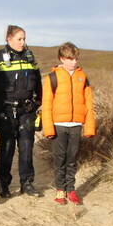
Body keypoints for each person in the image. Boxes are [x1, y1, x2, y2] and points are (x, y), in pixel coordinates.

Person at [0, 25, 41, 198]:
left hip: (26, 111)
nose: (23, 42)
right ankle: (3, 184)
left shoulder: (29, 57)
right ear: (8, 39)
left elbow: (38, 82)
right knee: (7, 147)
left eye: (24, 39)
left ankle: (27, 183)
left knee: (26, 146)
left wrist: (37, 103)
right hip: (6, 110)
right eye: (19, 39)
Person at [42, 42, 95, 205]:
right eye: (70, 59)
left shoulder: (83, 77)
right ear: (61, 58)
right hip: (58, 125)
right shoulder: (52, 77)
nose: (73, 62)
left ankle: (71, 190)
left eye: (75, 59)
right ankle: (60, 190)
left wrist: (89, 126)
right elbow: (47, 104)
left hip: (76, 125)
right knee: (60, 158)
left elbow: (89, 104)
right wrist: (48, 128)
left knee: (72, 158)